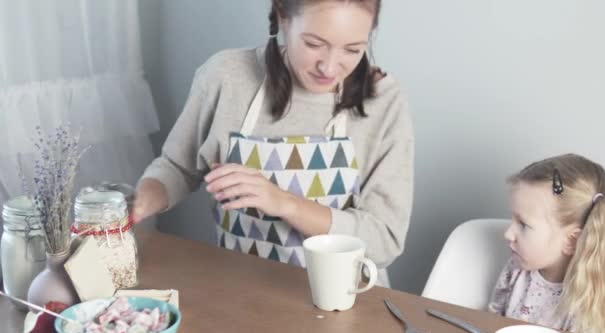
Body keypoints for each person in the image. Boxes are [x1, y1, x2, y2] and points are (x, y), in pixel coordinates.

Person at [133, 0, 413, 287]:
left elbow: (384, 239)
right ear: (283, 18)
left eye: (353, 49)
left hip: (344, 301)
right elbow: (178, 167)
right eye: (314, 44)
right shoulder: (226, 76)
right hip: (240, 293)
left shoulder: (384, 101)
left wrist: (286, 204)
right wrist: (141, 201)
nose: (329, 67)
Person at [488, 154, 605, 333]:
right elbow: (489, 322)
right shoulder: (516, 269)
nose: (508, 234)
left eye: (523, 224)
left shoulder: (587, 299)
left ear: (571, 241)